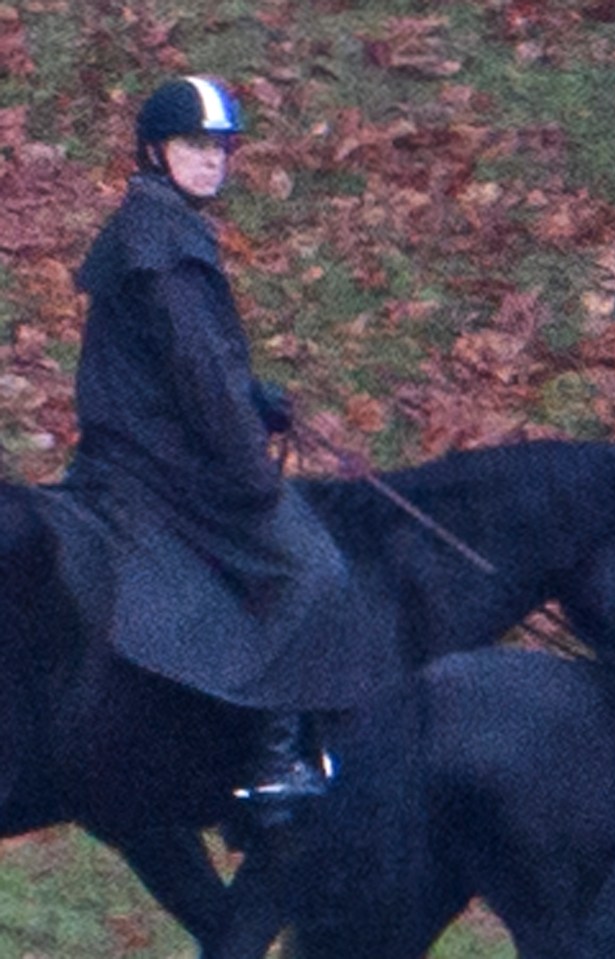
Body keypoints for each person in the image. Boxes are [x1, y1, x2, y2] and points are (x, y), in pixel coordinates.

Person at [65, 76, 382, 821]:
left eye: (219, 149)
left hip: (143, 449)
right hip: (165, 468)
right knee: (313, 568)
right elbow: (201, 378)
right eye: (194, 146)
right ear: (154, 151)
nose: (212, 163)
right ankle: (271, 758)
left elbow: (186, 365)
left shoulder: (154, 228)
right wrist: (250, 475)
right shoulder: (164, 244)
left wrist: (256, 397)